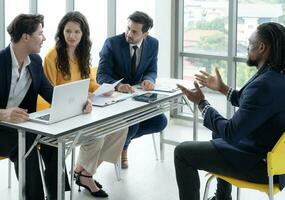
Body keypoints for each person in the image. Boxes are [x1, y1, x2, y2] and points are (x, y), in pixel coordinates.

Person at [174, 22, 285, 200]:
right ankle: (222, 197)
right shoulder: (276, 76)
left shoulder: (264, 85)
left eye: (250, 43)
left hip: (259, 165)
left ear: (262, 47)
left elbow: (231, 133)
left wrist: (202, 103)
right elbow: (251, 102)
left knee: (182, 152)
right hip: (277, 161)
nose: (247, 48)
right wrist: (222, 88)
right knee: (217, 134)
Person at [0, 14, 91, 200]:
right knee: (25, 145)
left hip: (23, 124)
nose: (45, 38)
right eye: (40, 34)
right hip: (2, 127)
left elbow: (51, 93)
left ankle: (57, 195)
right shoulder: (0, 62)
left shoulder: (34, 62)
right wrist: (3, 113)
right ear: (26, 37)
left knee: (54, 139)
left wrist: (81, 102)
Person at [43, 11, 128, 198]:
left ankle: (83, 171)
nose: (72, 36)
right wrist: (85, 97)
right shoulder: (52, 57)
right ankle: (85, 175)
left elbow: (88, 82)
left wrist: (102, 89)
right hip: (61, 115)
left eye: (76, 32)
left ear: (83, 34)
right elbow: (49, 92)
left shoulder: (82, 54)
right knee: (97, 136)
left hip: (83, 110)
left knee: (120, 127)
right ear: (61, 32)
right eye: (68, 31)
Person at [97, 11, 167, 169]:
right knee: (132, 124)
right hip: (115, 98)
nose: (129, 33)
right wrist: (118, 85)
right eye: (128, 28)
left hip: (137, 97)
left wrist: (149, 79)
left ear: (145, 33)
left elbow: (151, 69)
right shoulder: (112, 43)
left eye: (134, 31)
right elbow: (101, 75)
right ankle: (123, 148)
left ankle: (122, 144)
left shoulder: (153, 44)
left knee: (160, 121)